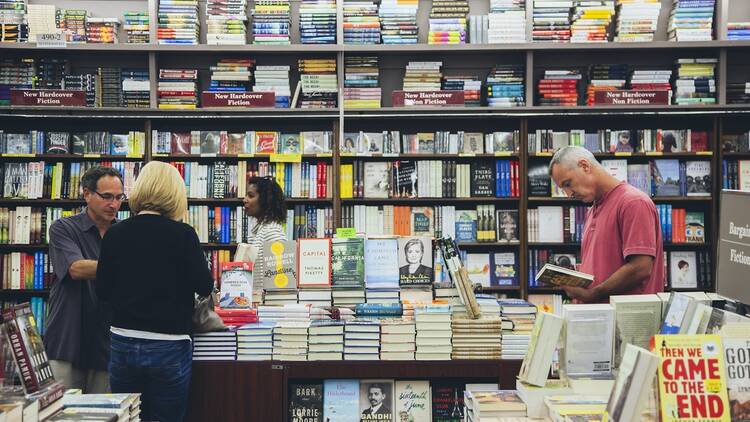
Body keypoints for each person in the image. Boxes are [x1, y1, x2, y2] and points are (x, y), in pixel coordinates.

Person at [95, 161, 213, 422]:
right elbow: (204, 286)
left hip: (123, 341)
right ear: (174, 193)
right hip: (169, 343)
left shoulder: (115, 234)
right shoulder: (183, 235)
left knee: (128, 416)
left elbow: (102, 291)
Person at [548, 146, 664, 303]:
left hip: (627, 322)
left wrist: (592, 294)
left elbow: (641, 268)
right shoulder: (593, 210)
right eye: (563, 188)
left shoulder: (633, 202)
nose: (569, 194)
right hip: (600, 319)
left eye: (568, 184)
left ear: (585, 166)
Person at [46, 166, 125, 393]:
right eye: (107, 196)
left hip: (108, 340)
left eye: (119, 197)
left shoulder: (124, 232)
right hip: (67, 337)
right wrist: (131, 269)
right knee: (59, 413)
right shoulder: (63, 228)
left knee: (105, 414)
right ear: (87, 194)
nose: (114, 204)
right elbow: (76, 269)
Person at [243, 176, 288, 274]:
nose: (244, 200)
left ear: (265, 200)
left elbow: (281, 273)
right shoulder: (260, 229)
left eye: (250, 196)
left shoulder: (271, 231)